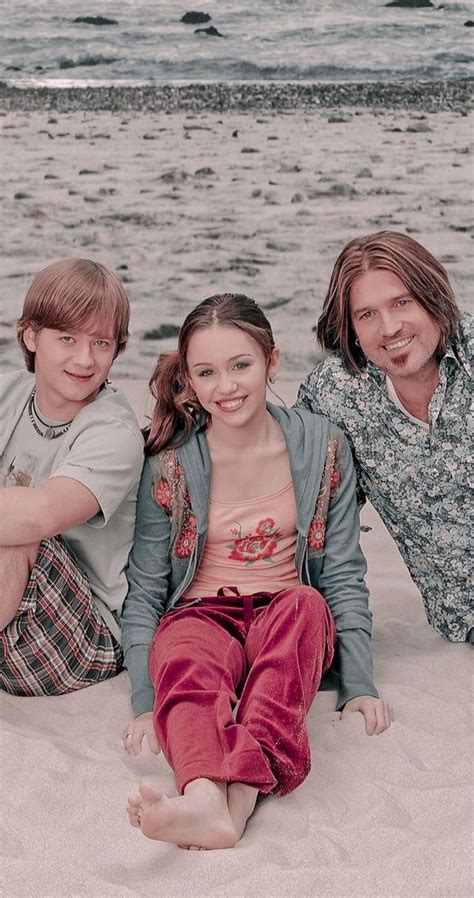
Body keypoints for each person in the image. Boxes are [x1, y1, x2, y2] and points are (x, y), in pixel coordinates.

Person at [122, 292, 392, 852]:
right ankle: (201, 794)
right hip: (201, 612)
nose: (226, 387)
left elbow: (341, 570)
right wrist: (146, 701)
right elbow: (146, 590)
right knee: (186, 656)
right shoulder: (170, 459)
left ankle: (236, 802)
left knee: (307, 606)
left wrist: (359, 684)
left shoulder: (323, 445)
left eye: (241, 365)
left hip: (285, 613)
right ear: (190, 382)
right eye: (207, 372)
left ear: (272, 361)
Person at [297, 231, 472, 643]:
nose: (390, 328)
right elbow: (309, 510)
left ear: (433, 297)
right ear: (350, 328)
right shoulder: (337, 394)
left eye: (401, 302)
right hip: (462, 618)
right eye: (367, 314)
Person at [0, 258, 144, 696]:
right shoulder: (8, 393)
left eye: (100, 343)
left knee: (23, 528)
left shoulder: (114, 433)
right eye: (67, 338)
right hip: (9, 616)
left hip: (81, 637)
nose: (85, 359)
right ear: (31, 335)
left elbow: (40, 515)